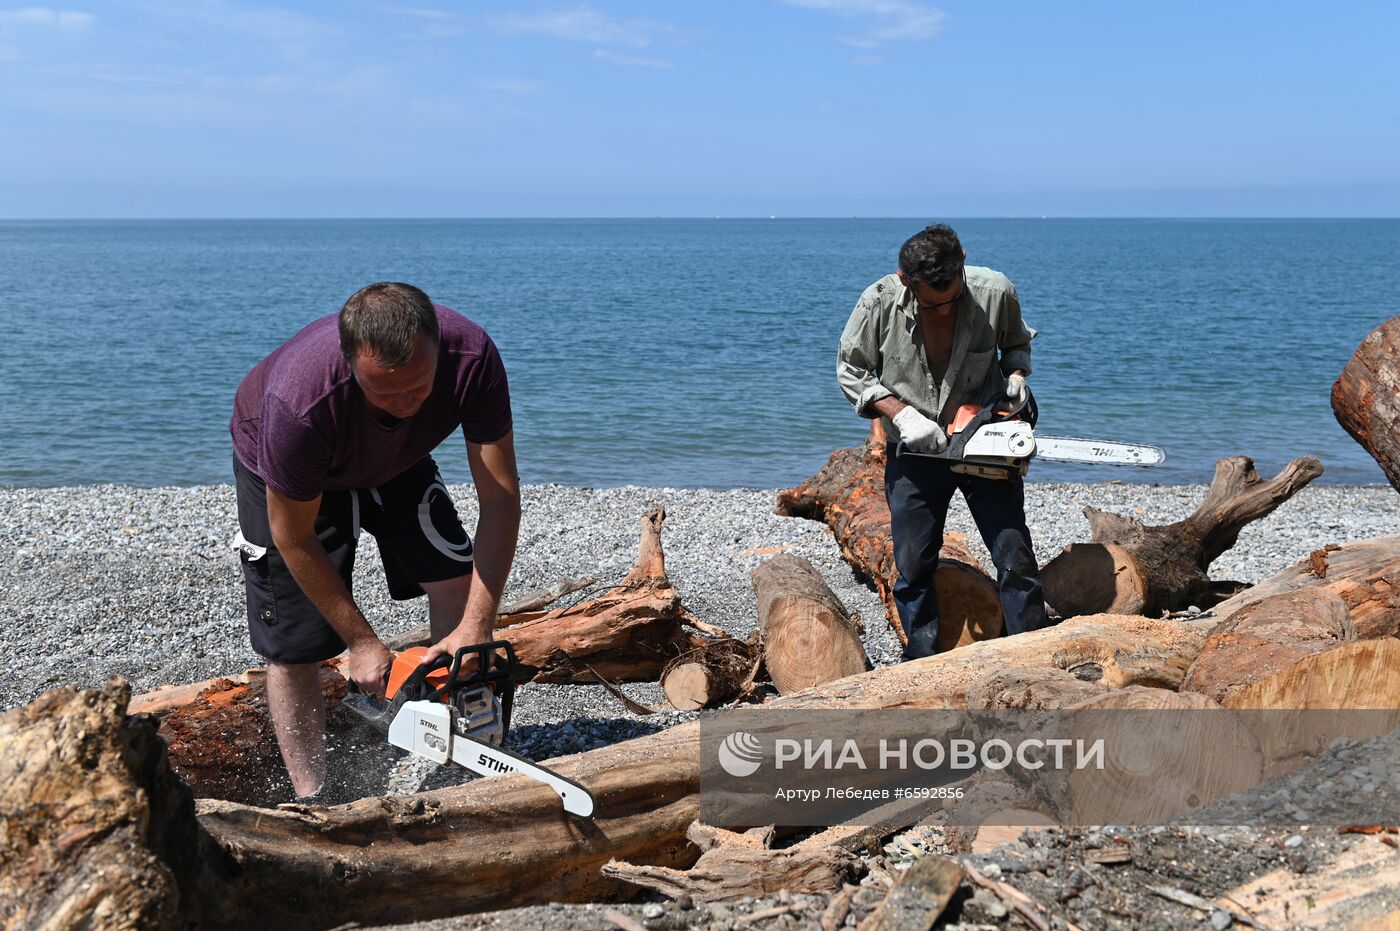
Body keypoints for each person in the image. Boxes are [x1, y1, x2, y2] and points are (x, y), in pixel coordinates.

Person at [229, 281, 520, 799]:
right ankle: (311, 796)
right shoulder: (299, 404)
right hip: (295, 476)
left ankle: (467, 754)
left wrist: (478, 624)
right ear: (349, 365)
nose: (406, 402)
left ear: (439, 348)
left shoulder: (472, 357)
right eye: (385, 392)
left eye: (420, 387)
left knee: (457, 579)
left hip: (400, 461)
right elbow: (291, 535)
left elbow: (499, 499)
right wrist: (362, 643)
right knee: (295, 646)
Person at [837, 224, 1049, 659]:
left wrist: (1016, 377)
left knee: (1014, 554)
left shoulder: (995, 291)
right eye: (933, 305)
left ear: (963, 261)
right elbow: (851, 370)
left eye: (952, 299)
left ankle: (1033, 650)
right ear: (904, 279)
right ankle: (922, 658)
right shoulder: (877, 302)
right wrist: (902, 413)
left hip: (984, 439)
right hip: (915, 448)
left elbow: (1016, 345)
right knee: (913, 564)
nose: (945, 310)